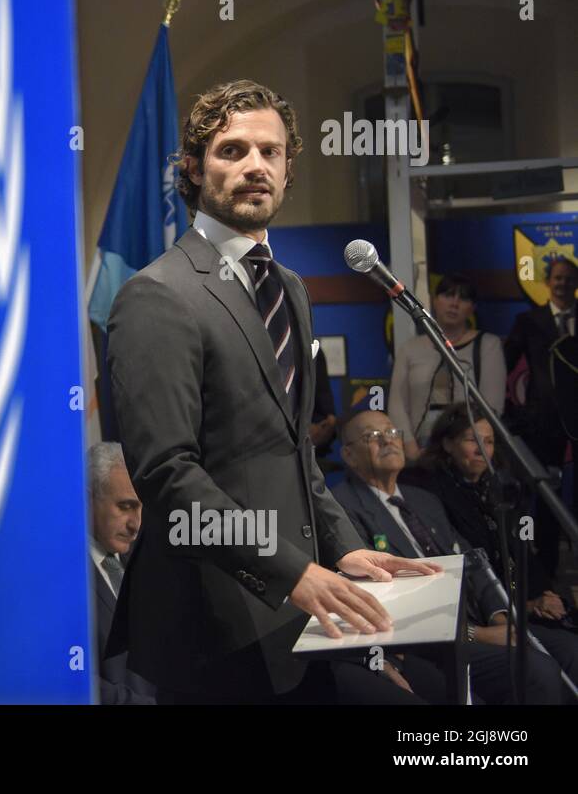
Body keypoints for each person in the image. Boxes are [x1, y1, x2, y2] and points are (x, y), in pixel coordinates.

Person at [105, 79, 438, 704]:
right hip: (213, 622)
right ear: (193, 168)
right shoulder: (157, 295)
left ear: (288, 170)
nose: (255, 165)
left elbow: (296, 454)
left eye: (271, 152)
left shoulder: (291, 287)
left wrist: (346, 551)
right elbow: (168, 474)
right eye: (233, 150)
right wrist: (291, 571)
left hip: (299, 614)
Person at [331, 408, 568, 704]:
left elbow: (474, 563)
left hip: (481, 620)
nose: (388, 441)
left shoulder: (424, 499)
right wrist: (476, 634)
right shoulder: (342, 507)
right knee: (535, 670)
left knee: (569, 651)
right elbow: (385, 597)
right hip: (431, 640)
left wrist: (500, 616)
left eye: (392, 433)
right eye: (373, 436)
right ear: (349, 455)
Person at [404, 404, 578, 683]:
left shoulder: (501, 489)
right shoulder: (428, 493)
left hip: (518, 608)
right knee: (541, 664)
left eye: (488, 441)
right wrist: (521, 607)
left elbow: (523, 552)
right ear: (448, 444)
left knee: (571, 649)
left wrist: (545, 594)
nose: (481, 450)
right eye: (472, 440)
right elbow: (466, 563)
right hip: (478, 614)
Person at [504, 254, 578, 584]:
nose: (563, 283)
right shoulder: (528, 321)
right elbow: (503, 367)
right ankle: (547, 585)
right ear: (548, 283)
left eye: (569, 278)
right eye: (557, 278)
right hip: (543, 431)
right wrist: (520, 417)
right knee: (547, 508)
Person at [388, 273, 505, 461]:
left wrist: (464, 447)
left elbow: (493, 406)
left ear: (472, 308)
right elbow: (397, 404)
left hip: (468, 451)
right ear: (435, 301)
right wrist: (410, 448)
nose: (454, 303)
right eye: (448, 295)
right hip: (418, 450)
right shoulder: (410, 349)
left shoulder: (488, 345)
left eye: (463, 298)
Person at [86, 441, 155, 704]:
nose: (135, 524)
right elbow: (67, 678)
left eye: (140, 508)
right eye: (125, 507)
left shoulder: (144, 566)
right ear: (86, 499)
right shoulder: (62, 576)